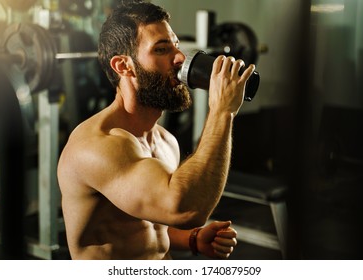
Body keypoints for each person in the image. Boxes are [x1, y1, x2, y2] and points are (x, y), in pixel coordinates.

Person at [57, 0, 255, 260]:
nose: (180, 58)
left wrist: (193, 239)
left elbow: (151, 224)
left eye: (175, 46)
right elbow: (186, 211)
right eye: (161, 50)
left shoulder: (164, 140)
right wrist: (222, 110)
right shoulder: (97, 146)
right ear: (123, 66)